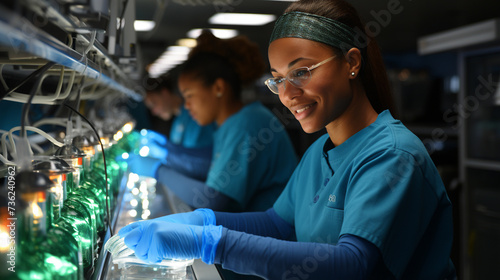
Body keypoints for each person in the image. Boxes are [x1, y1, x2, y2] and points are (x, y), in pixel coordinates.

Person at [117, 0, 456, 279]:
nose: (288, 94)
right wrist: (203, 221)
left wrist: (212, 242)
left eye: (301, 72)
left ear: (352, 62)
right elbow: (277, 223)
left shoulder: (392, 156)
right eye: (277, 80)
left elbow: (354, 264)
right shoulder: (319, 152)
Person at [148, 31, 298, 212]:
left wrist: (159, 171)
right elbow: (211, 168)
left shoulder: (246, 125)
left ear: (218, 88)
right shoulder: (230, 125)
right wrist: (167, 151)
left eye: (190, 96)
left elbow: (213, 200)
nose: (186, 106)